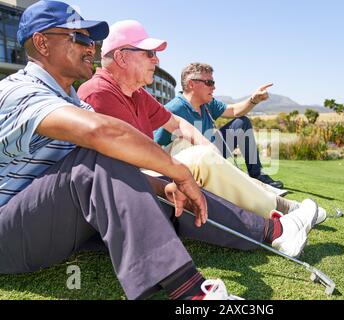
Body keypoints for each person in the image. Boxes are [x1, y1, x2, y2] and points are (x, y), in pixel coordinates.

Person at [0, 1, 320, 301]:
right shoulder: (18, 90)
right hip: (9, 239)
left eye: (91, 40)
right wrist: (177, 172)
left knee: (159, 189)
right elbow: (102, 133)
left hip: (51, 224)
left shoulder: (72, 101)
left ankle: (275, 230)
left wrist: (165, 185)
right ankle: (190, 293)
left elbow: (114, 163)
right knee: (102, 155)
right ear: (42, 43)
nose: (91, 47)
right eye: (78, 38)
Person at [78, 20, 322, 220]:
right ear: (121, 57)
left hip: (149, 172)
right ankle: (281, 212)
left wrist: (207, 147)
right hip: (132, 186)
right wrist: (189, 165)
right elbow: (130, 159)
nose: (157, 60)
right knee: (195, 155)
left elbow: (178, 124)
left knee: (200, 149)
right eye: (149, 53)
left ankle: (275, 202)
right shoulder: (99, 92)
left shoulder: (137, 94)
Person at [154, 63, 284, 189]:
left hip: (211, 153)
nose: (213, 87)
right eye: (209, 83)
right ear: (191, 84)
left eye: (213, 83)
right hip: (187, 165)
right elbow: (156, 146)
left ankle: (257, 175)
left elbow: (234, 111)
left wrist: (253, 100)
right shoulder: (173, 109)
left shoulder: (208, 103)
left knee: (242, 122)